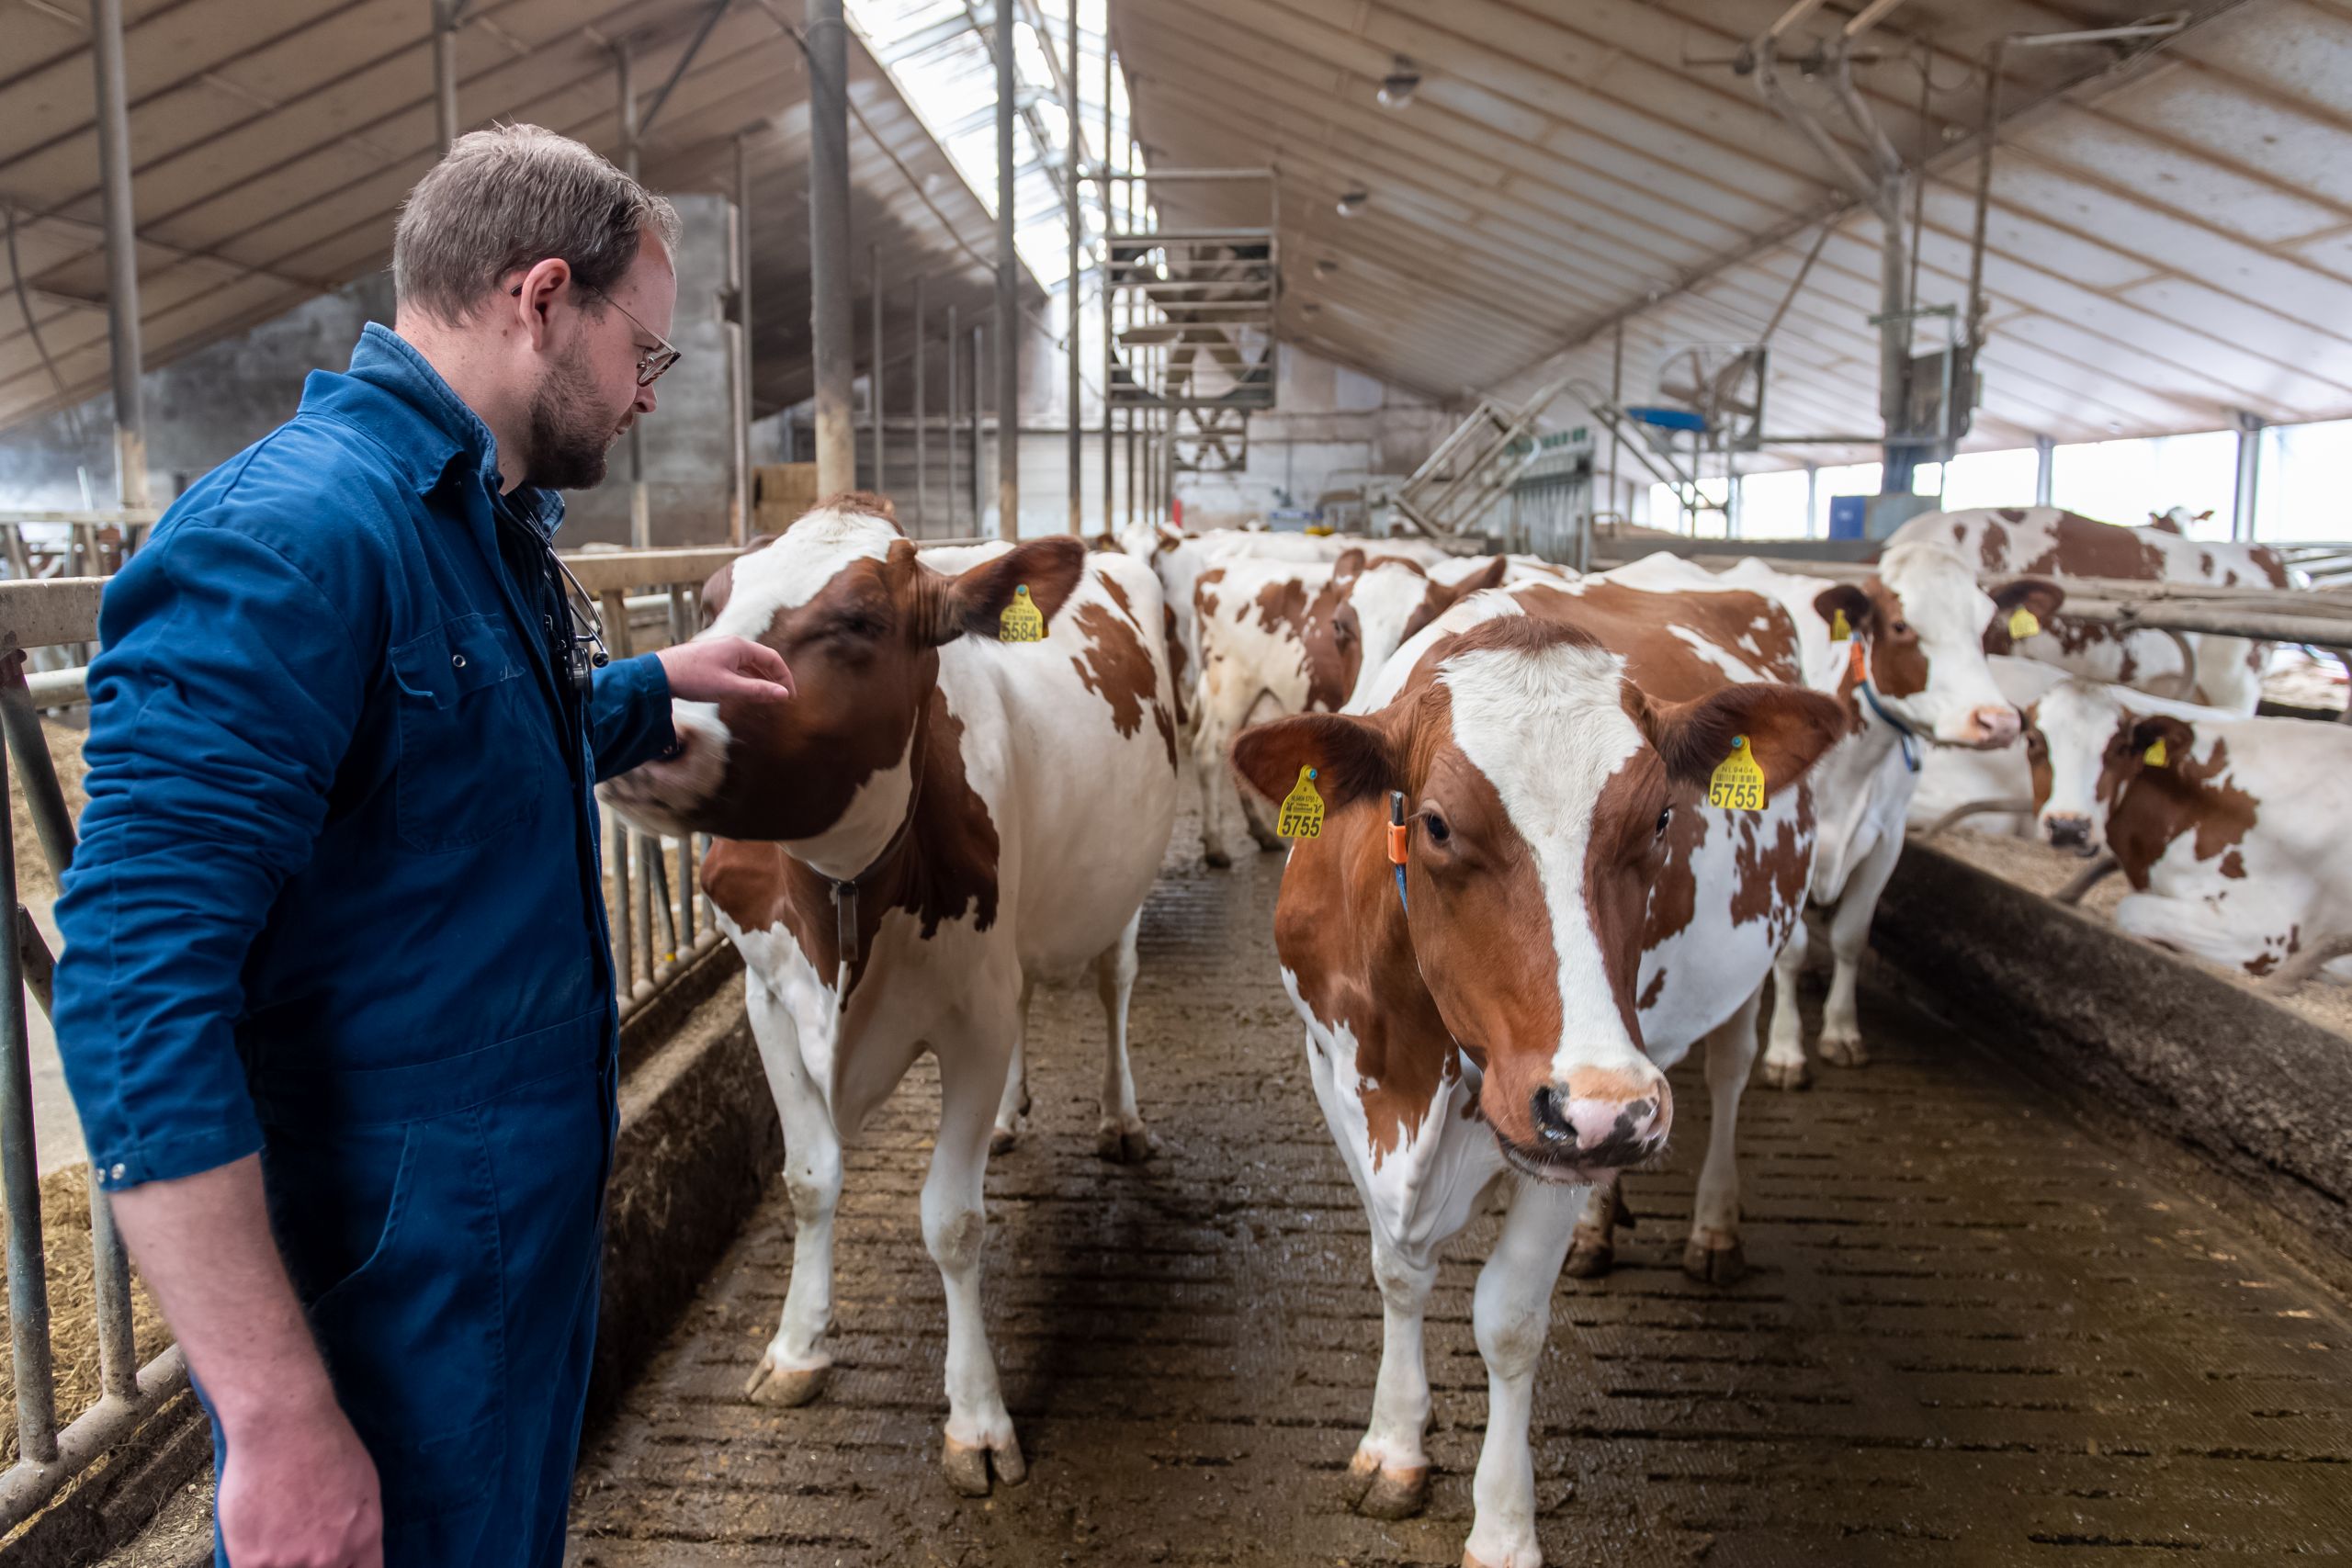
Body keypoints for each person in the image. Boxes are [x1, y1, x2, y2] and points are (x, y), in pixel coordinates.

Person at [52, 125, 791, 1567]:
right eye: (646, 351)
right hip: (389, 1288)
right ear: (541, 297)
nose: (649, 394)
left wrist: (655, 686)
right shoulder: (296, 538)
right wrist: (273, 1418)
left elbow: (455, 763)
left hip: (501, 1256)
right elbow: (135, 988)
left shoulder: (475, 525)